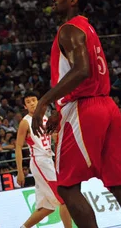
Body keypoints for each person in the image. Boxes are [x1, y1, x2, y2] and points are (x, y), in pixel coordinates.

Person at [31, 0, 121, 228]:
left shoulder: (69, 29)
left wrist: (45, 101)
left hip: (85, 109)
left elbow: (82, 71)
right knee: (120, 185)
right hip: (107, 107)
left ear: (73, 0)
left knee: (67, 187)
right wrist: (60, 111)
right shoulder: (88, 28)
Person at [16, 93, 72, 228]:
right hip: (39, 162)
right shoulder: (25, 122)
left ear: (39, 102)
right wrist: (20, 171)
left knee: (47, 207)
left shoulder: (45, 118)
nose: (32, 103)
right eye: (28, 102)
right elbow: (18, 147)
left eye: (34, 100)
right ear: (25, 106)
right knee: (64, 199)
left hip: (48, 160)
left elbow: (50, 138)